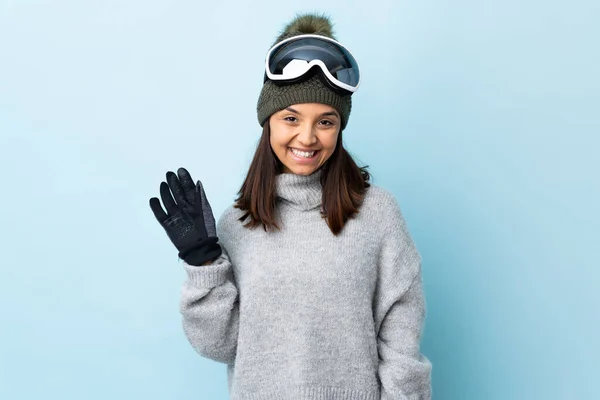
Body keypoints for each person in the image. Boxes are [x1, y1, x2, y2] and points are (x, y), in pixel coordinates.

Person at [149, 13, 432, 400]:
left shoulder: (378, 215)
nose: (308, 137)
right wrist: (203, 263)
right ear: (269, 123)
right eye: (291, 118)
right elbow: (221, 344)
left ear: (340, 127)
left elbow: (401, 340)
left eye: (326, 121)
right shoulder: (237, 224)